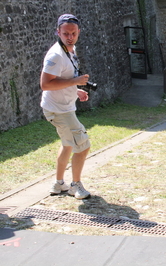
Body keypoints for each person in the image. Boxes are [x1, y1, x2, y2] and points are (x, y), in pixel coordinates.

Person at [40, 14, 91, 199]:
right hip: (59, 110)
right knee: (83, 146)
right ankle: (75, 186)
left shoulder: (70, 49)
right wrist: (76, 81)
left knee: (68, 144)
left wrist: (75, 89)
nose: (70, 37)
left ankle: (58, 183)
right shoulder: (56, 54)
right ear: (58, 32)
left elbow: (61, 79)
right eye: (65, 33)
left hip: (63, 106)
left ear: (78, 33)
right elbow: (45, 84)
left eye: (73, 33)